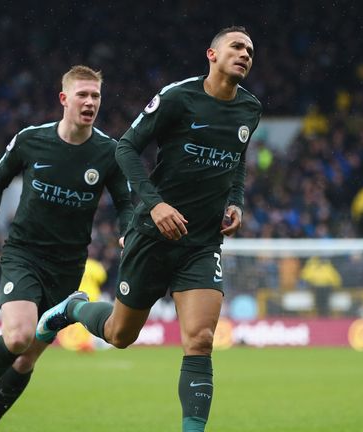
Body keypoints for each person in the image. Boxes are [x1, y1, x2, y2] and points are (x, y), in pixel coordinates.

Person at [37, 27, 262, 432]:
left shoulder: (250, 109)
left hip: (202, 242)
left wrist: (236, 201)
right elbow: (125, 148)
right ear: (211, 54)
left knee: (200, 340)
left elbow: (238, 159)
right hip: (153, 235)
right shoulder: (179, 97)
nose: (245, 53)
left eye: (249, 50)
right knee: (120, 335)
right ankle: (72, 308)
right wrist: (155, 205)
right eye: (236, 47)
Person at [0, 65, 133, 432]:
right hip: (24, 254)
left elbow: (125, 203)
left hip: (67, 266)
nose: (90, 102)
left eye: (96, 96)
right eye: (82, 95)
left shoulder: (108, 152)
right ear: (64, 99)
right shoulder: (31, 140)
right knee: (18, 337)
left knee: (26, 361)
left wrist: (127, 232)